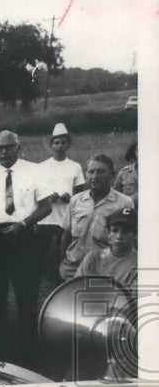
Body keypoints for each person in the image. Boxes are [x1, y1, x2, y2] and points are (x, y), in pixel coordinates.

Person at [0, 130, 53, 364]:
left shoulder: (34, 171)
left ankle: (29, 351)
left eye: (8, 147)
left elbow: (46, 206)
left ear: (18, 147)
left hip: (24, 235)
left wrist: (23, 224)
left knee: (26, 295)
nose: (3, 152)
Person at [58, 154, 134, 281]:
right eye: (91, 172)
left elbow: (130, 241)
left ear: (112, 175)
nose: (94, 177)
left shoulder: (124, 203)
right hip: (72, 269)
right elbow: (65, 235)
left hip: (105, 271)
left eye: (101, 172)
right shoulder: (76, 200)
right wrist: (62, 263)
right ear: (85, 175)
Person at [37, 123, 86, 283]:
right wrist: (48, 196)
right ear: (51, 145)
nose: (59, 146)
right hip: (47, 215)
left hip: (66, 214)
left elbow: (80, 193)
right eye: (56, 143)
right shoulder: (42, 166)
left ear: (68, 144)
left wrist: (69, 197)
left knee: (62, 248)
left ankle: (60, 277)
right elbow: (35, 190)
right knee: (43, 248)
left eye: (63, 142)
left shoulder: (75, 166)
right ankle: (43, 277)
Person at [73, 207, 137, 290]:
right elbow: (76, 286)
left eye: (125, 231)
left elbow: (131, 297)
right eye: (115, 230)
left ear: (136, 234)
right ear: (109, 233)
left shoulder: (139, 263)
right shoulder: (93, 257)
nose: (119, 236)